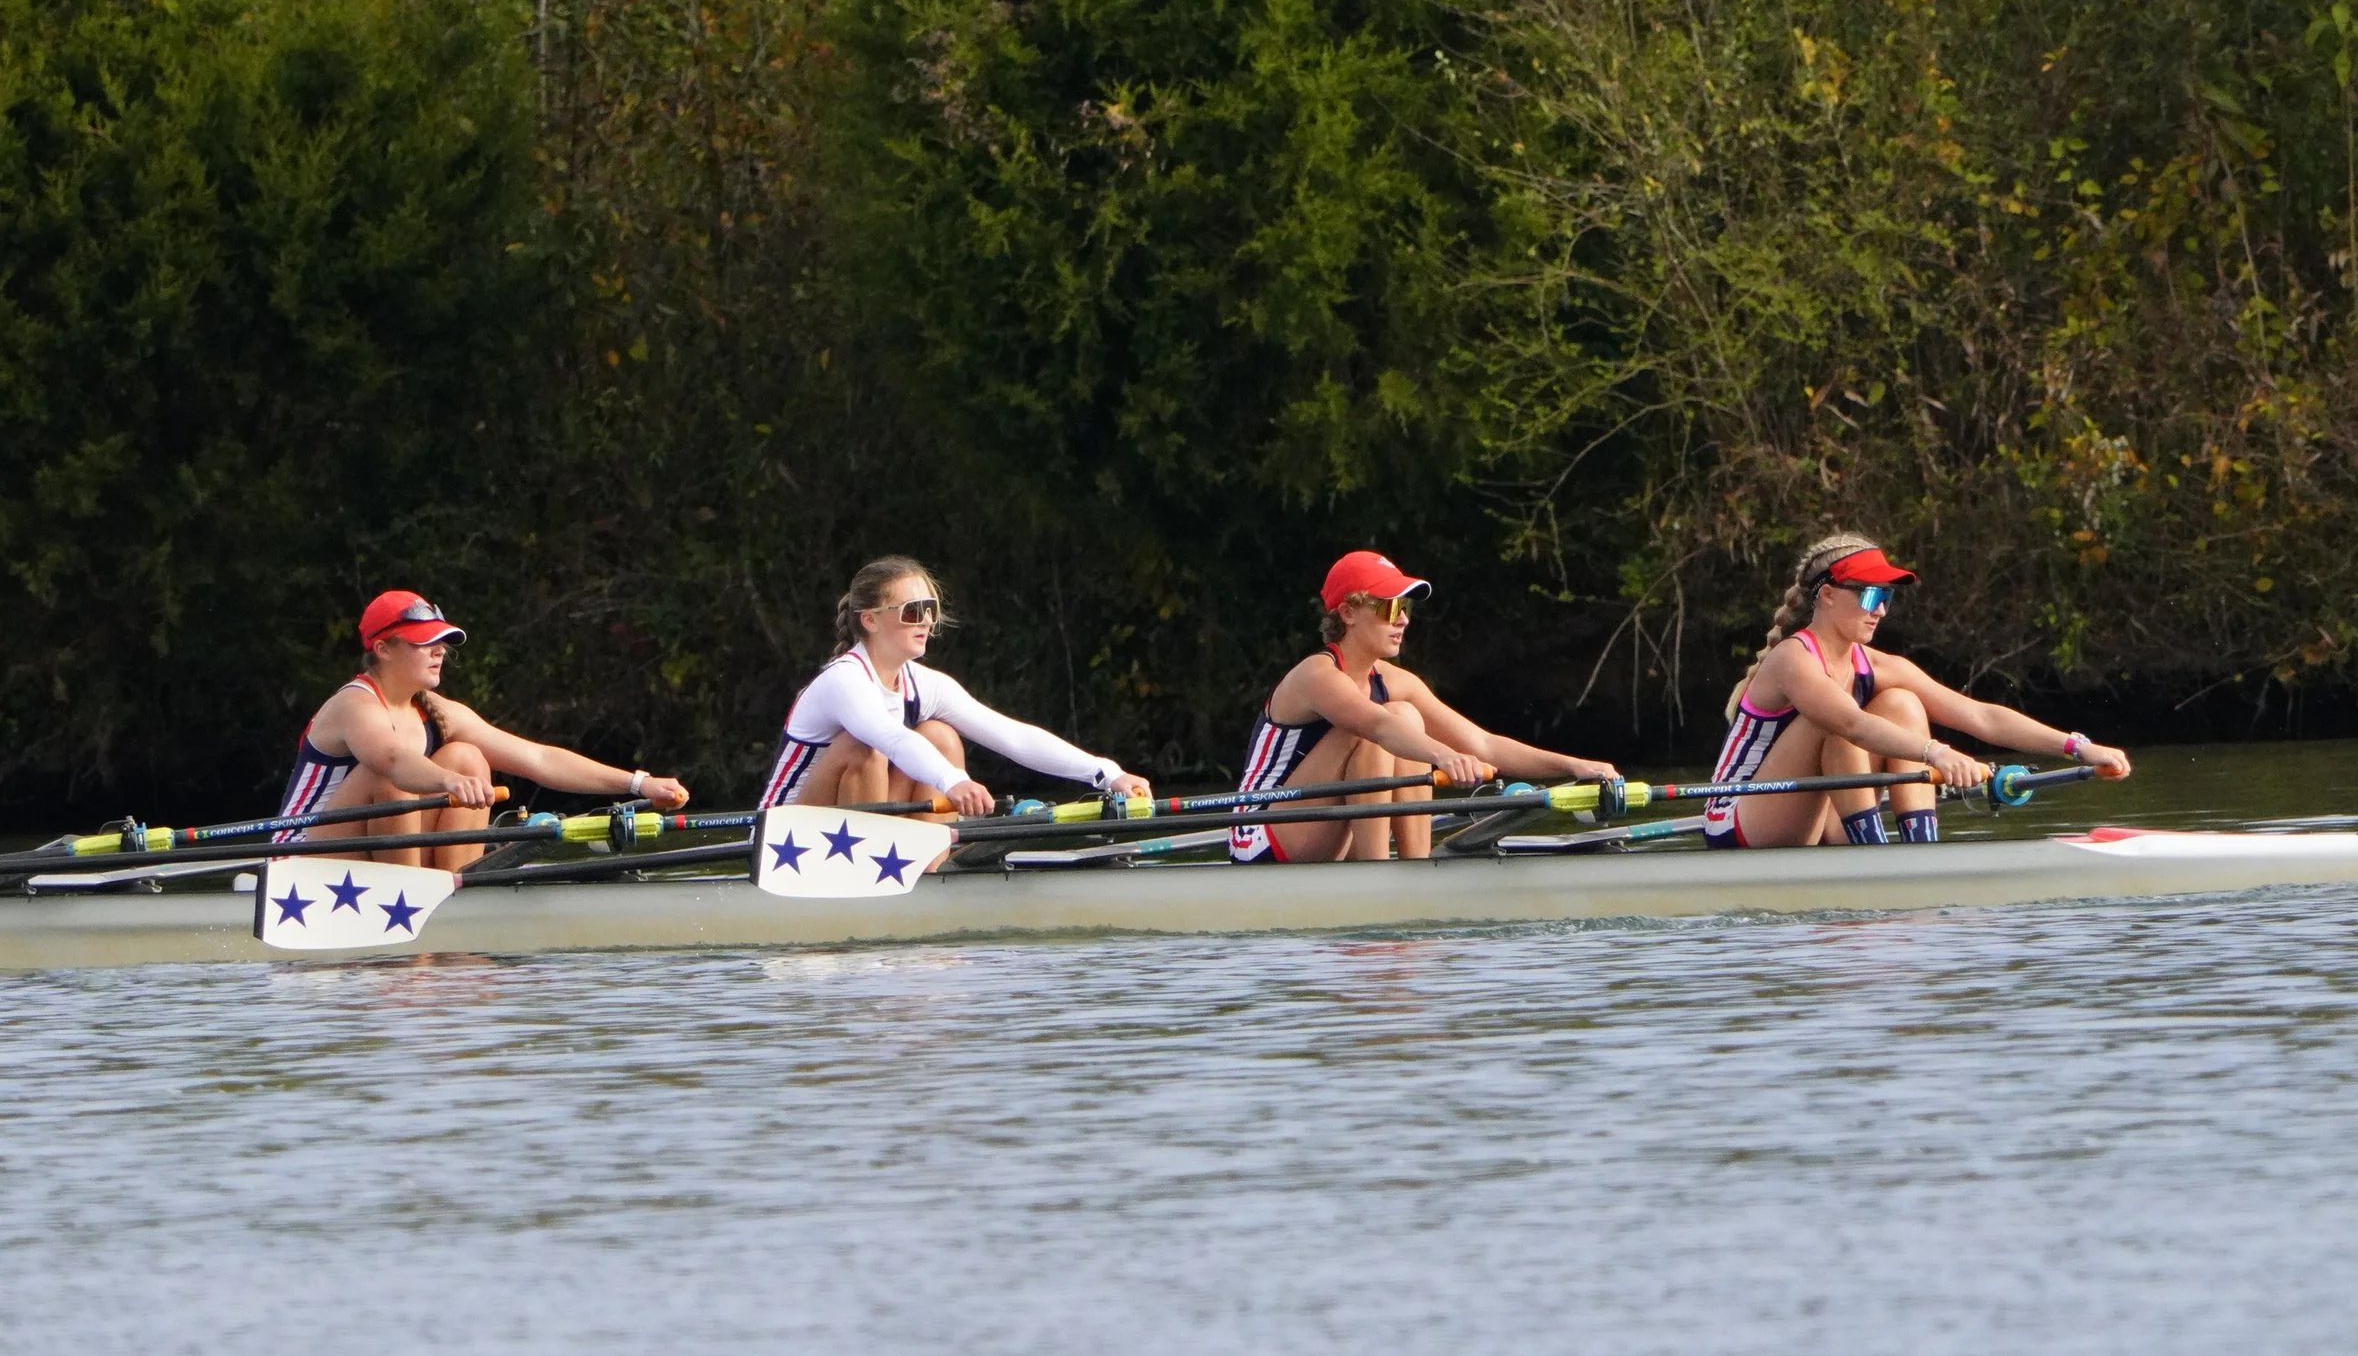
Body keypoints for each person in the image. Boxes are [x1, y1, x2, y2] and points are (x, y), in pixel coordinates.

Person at [1705, 534, 2131, 848]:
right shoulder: (1793, 659)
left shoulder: (1879, 666)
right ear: (1829, 595)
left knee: (1902, 702)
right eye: (1870, 594)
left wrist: (2079, 747)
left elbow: (1981, 717)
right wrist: (1937, 753)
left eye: (1886, 596)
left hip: (1816, 809)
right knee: (1837, 722)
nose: (1881, 609)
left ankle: (1919, 848)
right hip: (1740, 816)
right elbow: (1852, 724)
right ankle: (1875, 856)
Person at [1230, 550, 1621, 863]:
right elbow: (1379, 727)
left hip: (1323, 827)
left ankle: (1416, 867)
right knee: (1394, 719)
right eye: (1388, 608)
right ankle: (1377, 874)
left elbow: (1484, 745)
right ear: (1347, 613)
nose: (1402, 620)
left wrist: (1575, 765)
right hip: (1261, 831)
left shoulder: (1395, 681)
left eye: (1405, 608)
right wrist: (1444, 756)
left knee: (1406, 715)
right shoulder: (1316, 675)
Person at [277, 591, 691, 870]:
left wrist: (639, 784)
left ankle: (455, 888)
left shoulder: (436, 710)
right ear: (383, 649)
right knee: (392, 777)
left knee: (468, 757)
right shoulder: (355, 704)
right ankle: (410, 895)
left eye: (441, 641)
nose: (439, 651)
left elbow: (539, 758)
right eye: (423, 642)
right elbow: (393, 759)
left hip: (368, 856)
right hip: (298, 860)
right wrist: (447, 781)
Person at [762, 557, 1152, 817]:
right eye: (913, 611)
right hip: (784, 841)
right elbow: (892, 739)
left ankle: (929, 868)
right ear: (870, 620)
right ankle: (865, 874)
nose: (927, 621)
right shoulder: (844, 680)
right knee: (864, 749)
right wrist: (954, 781)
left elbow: (1012, 736)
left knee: (940, 737)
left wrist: (1106, 773)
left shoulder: (926, 685)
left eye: (930, 609)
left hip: (856, 828)